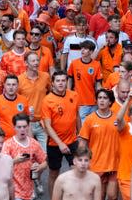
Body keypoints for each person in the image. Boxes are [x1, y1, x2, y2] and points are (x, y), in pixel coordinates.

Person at [41, 70, 80, 198]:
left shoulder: (74, 95)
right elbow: (47, 125)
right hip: (54, 143)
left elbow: (77, 115)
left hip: (73, 140)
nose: (61, 83)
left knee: (77, 170)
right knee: (53, 172)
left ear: (67, 82)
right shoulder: (47, 100)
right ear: (52, 83)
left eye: (63, 80)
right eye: (58, 81)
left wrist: (81, 134)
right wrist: (60, 143)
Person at [79, 89, 120, 200]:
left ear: (110, 102)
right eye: (99, 98)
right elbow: (82, 143)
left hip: (114, 164)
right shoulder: (90, 119)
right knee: (99, 196)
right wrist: (81, 162)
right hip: (96, 165)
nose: (101, 100)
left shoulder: (117, 118)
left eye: (105, 98)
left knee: (113, 196)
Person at [2, 113, 47, 200]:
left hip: (30, 191)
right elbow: (1, 166)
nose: (22, 129)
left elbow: (45, 162)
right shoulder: (8, 144)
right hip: (14, 191)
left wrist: (39, 167)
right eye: (19, 127)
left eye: (24, 126)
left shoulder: (34, 143)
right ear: (14, 127)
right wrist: (15, 161)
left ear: (28, 126)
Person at [0, 74, 30, 139]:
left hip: (20, 139)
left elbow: (28, 123)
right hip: (3, 140)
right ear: (4, 86)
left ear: (18, 86)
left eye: (13, 85)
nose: (11, 87)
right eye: (8, 84)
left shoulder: (24, 101)